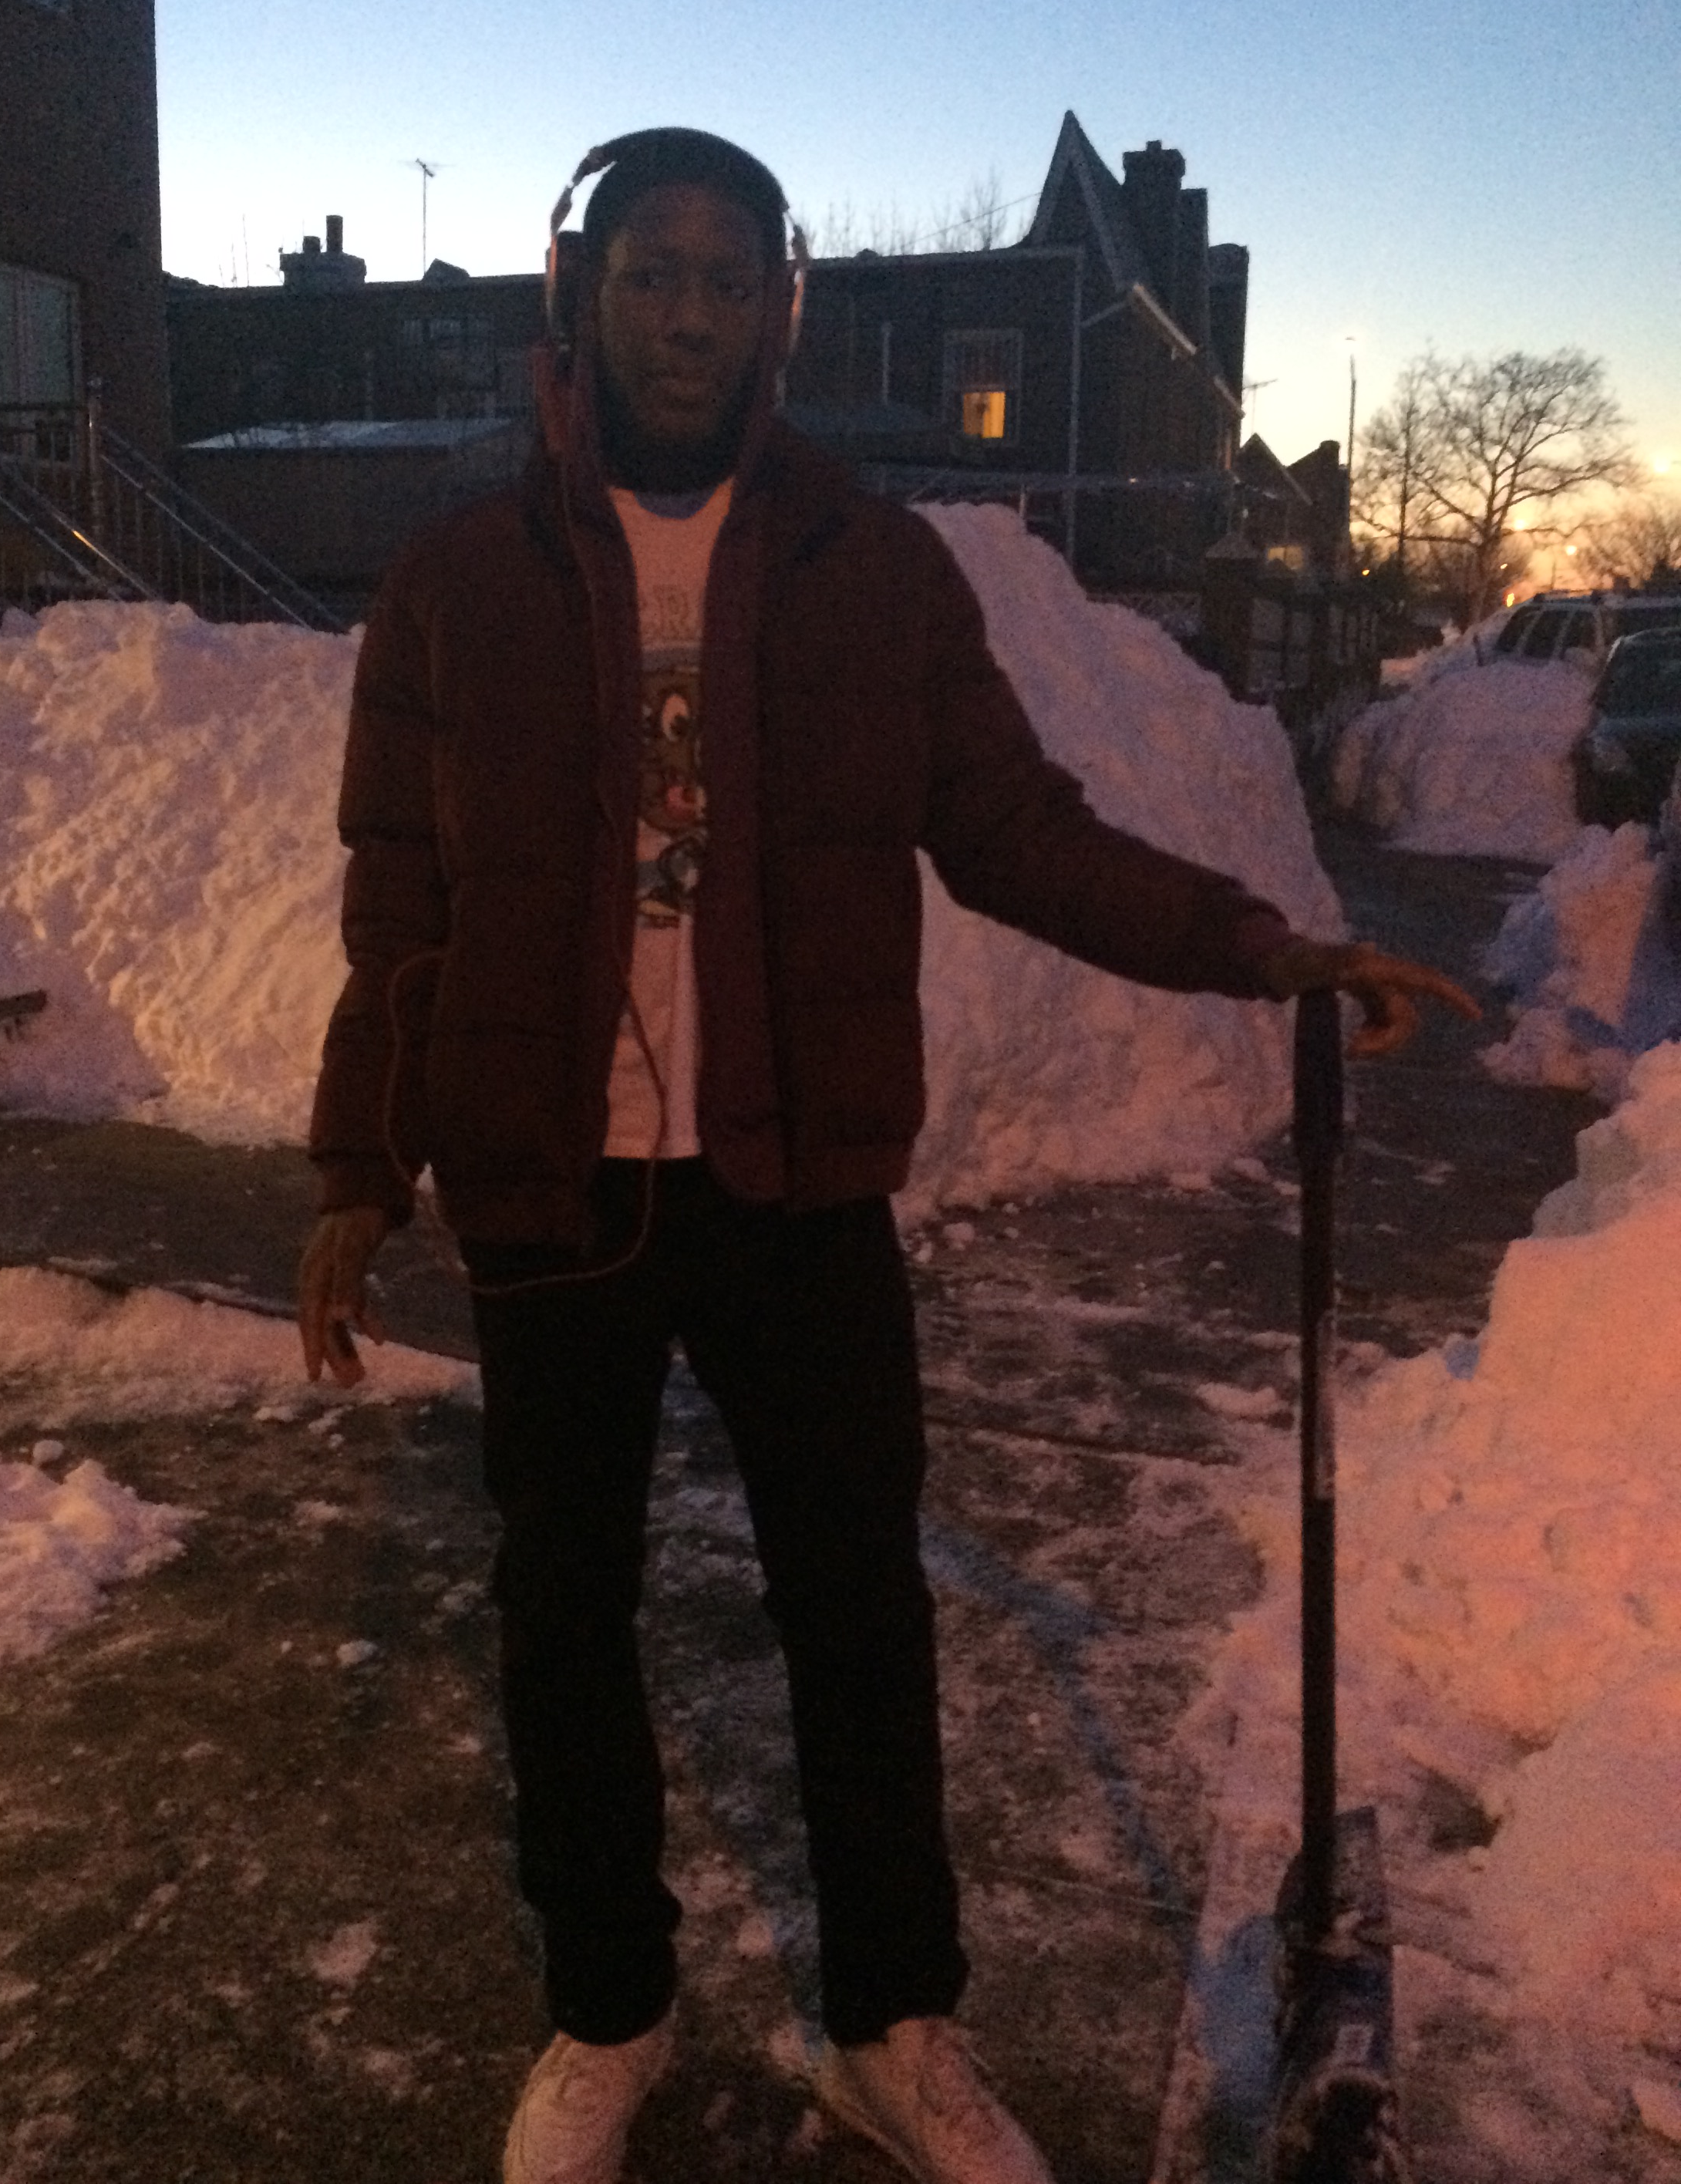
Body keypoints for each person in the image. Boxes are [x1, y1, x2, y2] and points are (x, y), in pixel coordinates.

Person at [298, 127, 1477, 2184]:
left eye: (725, 274)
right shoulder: (456, 583)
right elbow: (398, 900)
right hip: (547, 1186)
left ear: (784, 306)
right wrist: (353, 1174)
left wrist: (1259, 944)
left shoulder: (875, 571)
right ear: (583, 291)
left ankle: (887, 2026)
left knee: (858, 1617)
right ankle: (608, 2010)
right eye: (649, 270)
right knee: (562, 1616)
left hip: (796, 1187)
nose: (685, 309)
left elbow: (1019, 832)